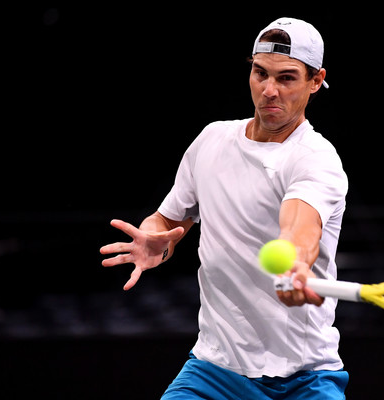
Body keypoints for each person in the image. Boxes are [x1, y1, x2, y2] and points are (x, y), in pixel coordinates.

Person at [100, 17, 349, 399]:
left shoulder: (316, 159)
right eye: (260, 73)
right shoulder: (212, 140)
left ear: (316, 81)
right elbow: (168, 219)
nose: (269, 90)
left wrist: (296, 263)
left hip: (303, 379)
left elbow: (300, 225)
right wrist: (154, 238)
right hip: (214, 371)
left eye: (286, 78)